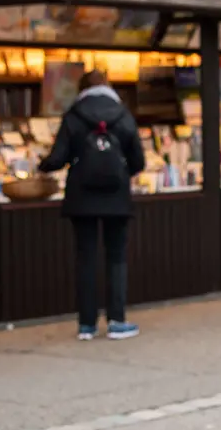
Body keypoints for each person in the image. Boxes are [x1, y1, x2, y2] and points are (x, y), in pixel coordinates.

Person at [39, 70, 146, 340]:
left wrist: (40, 166)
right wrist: (120, 173)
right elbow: (138, 161)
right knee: (116, 258)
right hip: (117, 197)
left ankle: (86, 325)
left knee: (85, 259)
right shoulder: (123, 115)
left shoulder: (74, 115)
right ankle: (117, 321)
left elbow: (58, 158)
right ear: (108, 86)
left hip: (82, 198)